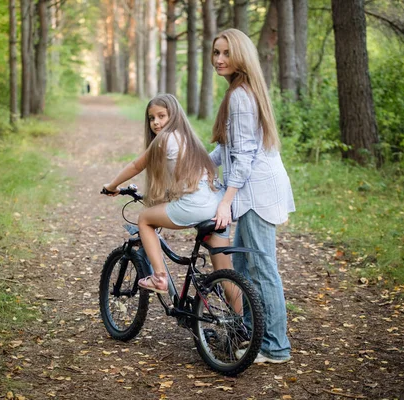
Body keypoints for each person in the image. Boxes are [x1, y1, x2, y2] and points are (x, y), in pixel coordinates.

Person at [209, 28, 296, 364]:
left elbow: (244, 157)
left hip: (257, 192)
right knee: (244, 265)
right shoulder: (240, 91)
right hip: (252, 188)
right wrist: (201, 163)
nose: (219, 59)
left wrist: (226, 200)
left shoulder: (241, 96)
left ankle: (275, 346)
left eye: (226, 53)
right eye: (216, 52)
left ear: (241, 56)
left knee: (261, 267)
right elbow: (228, 148)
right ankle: (252, 335)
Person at [102, 93, 229, 294]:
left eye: (161, 116)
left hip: (194, 207)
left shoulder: (165, 138)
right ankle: (242, 323)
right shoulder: (188, 138)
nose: (156, 122)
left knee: (144, 219)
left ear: (174, 115)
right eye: (152, 118)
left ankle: (159, 278)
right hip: (215, 205)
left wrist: (112, 186)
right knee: (224, 271)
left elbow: (136, 165)